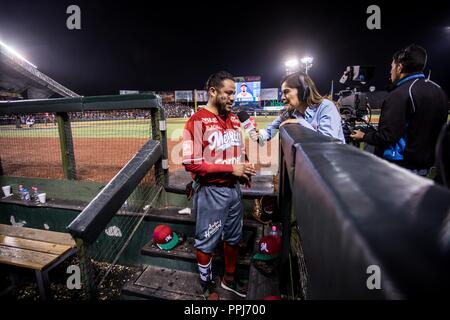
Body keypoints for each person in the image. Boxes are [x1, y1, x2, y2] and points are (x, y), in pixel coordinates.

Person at [182, 71, 256, 300]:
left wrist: (242, 169)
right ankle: (206, 284)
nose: (233, 98)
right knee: (206, 242)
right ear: (213, 92)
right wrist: (230, 169)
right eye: (228, 93)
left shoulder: (234, 119)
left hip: (233, 190)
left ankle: (229, 279)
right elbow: (192, 164)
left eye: (234, 93)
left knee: (233, 238)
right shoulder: (196, 121)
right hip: (211, 191)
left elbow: (237, 150)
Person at [350, 44, 449, 176]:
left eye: (392, 67)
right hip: (427, 167)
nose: (390, 71)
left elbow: (388, 136)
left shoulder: (400, 93)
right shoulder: (438, 90)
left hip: (400, 166)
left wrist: (364, 136)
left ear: (400, 67)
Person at [255, 71, 345, 143]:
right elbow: (268, 132)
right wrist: (257, 135)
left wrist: (300, 122)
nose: (282, 98)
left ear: (303, 90)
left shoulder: (326, 107)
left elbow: (328, 143)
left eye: (286, 92)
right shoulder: (288, 113)